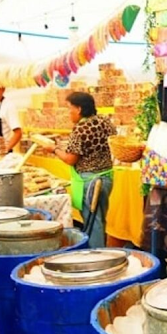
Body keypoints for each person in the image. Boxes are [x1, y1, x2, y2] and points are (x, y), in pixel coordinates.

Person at [42, 92, 115, 249]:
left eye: (70, 109)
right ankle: (101, 250)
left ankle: (97, 256)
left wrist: (53, 149)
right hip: (106, 177)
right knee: (100, 218)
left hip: (89, 181)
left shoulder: (80, 129)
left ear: (79, 109)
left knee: (92, 221)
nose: (68, 113)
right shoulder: (105, 122)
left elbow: (70, 159)